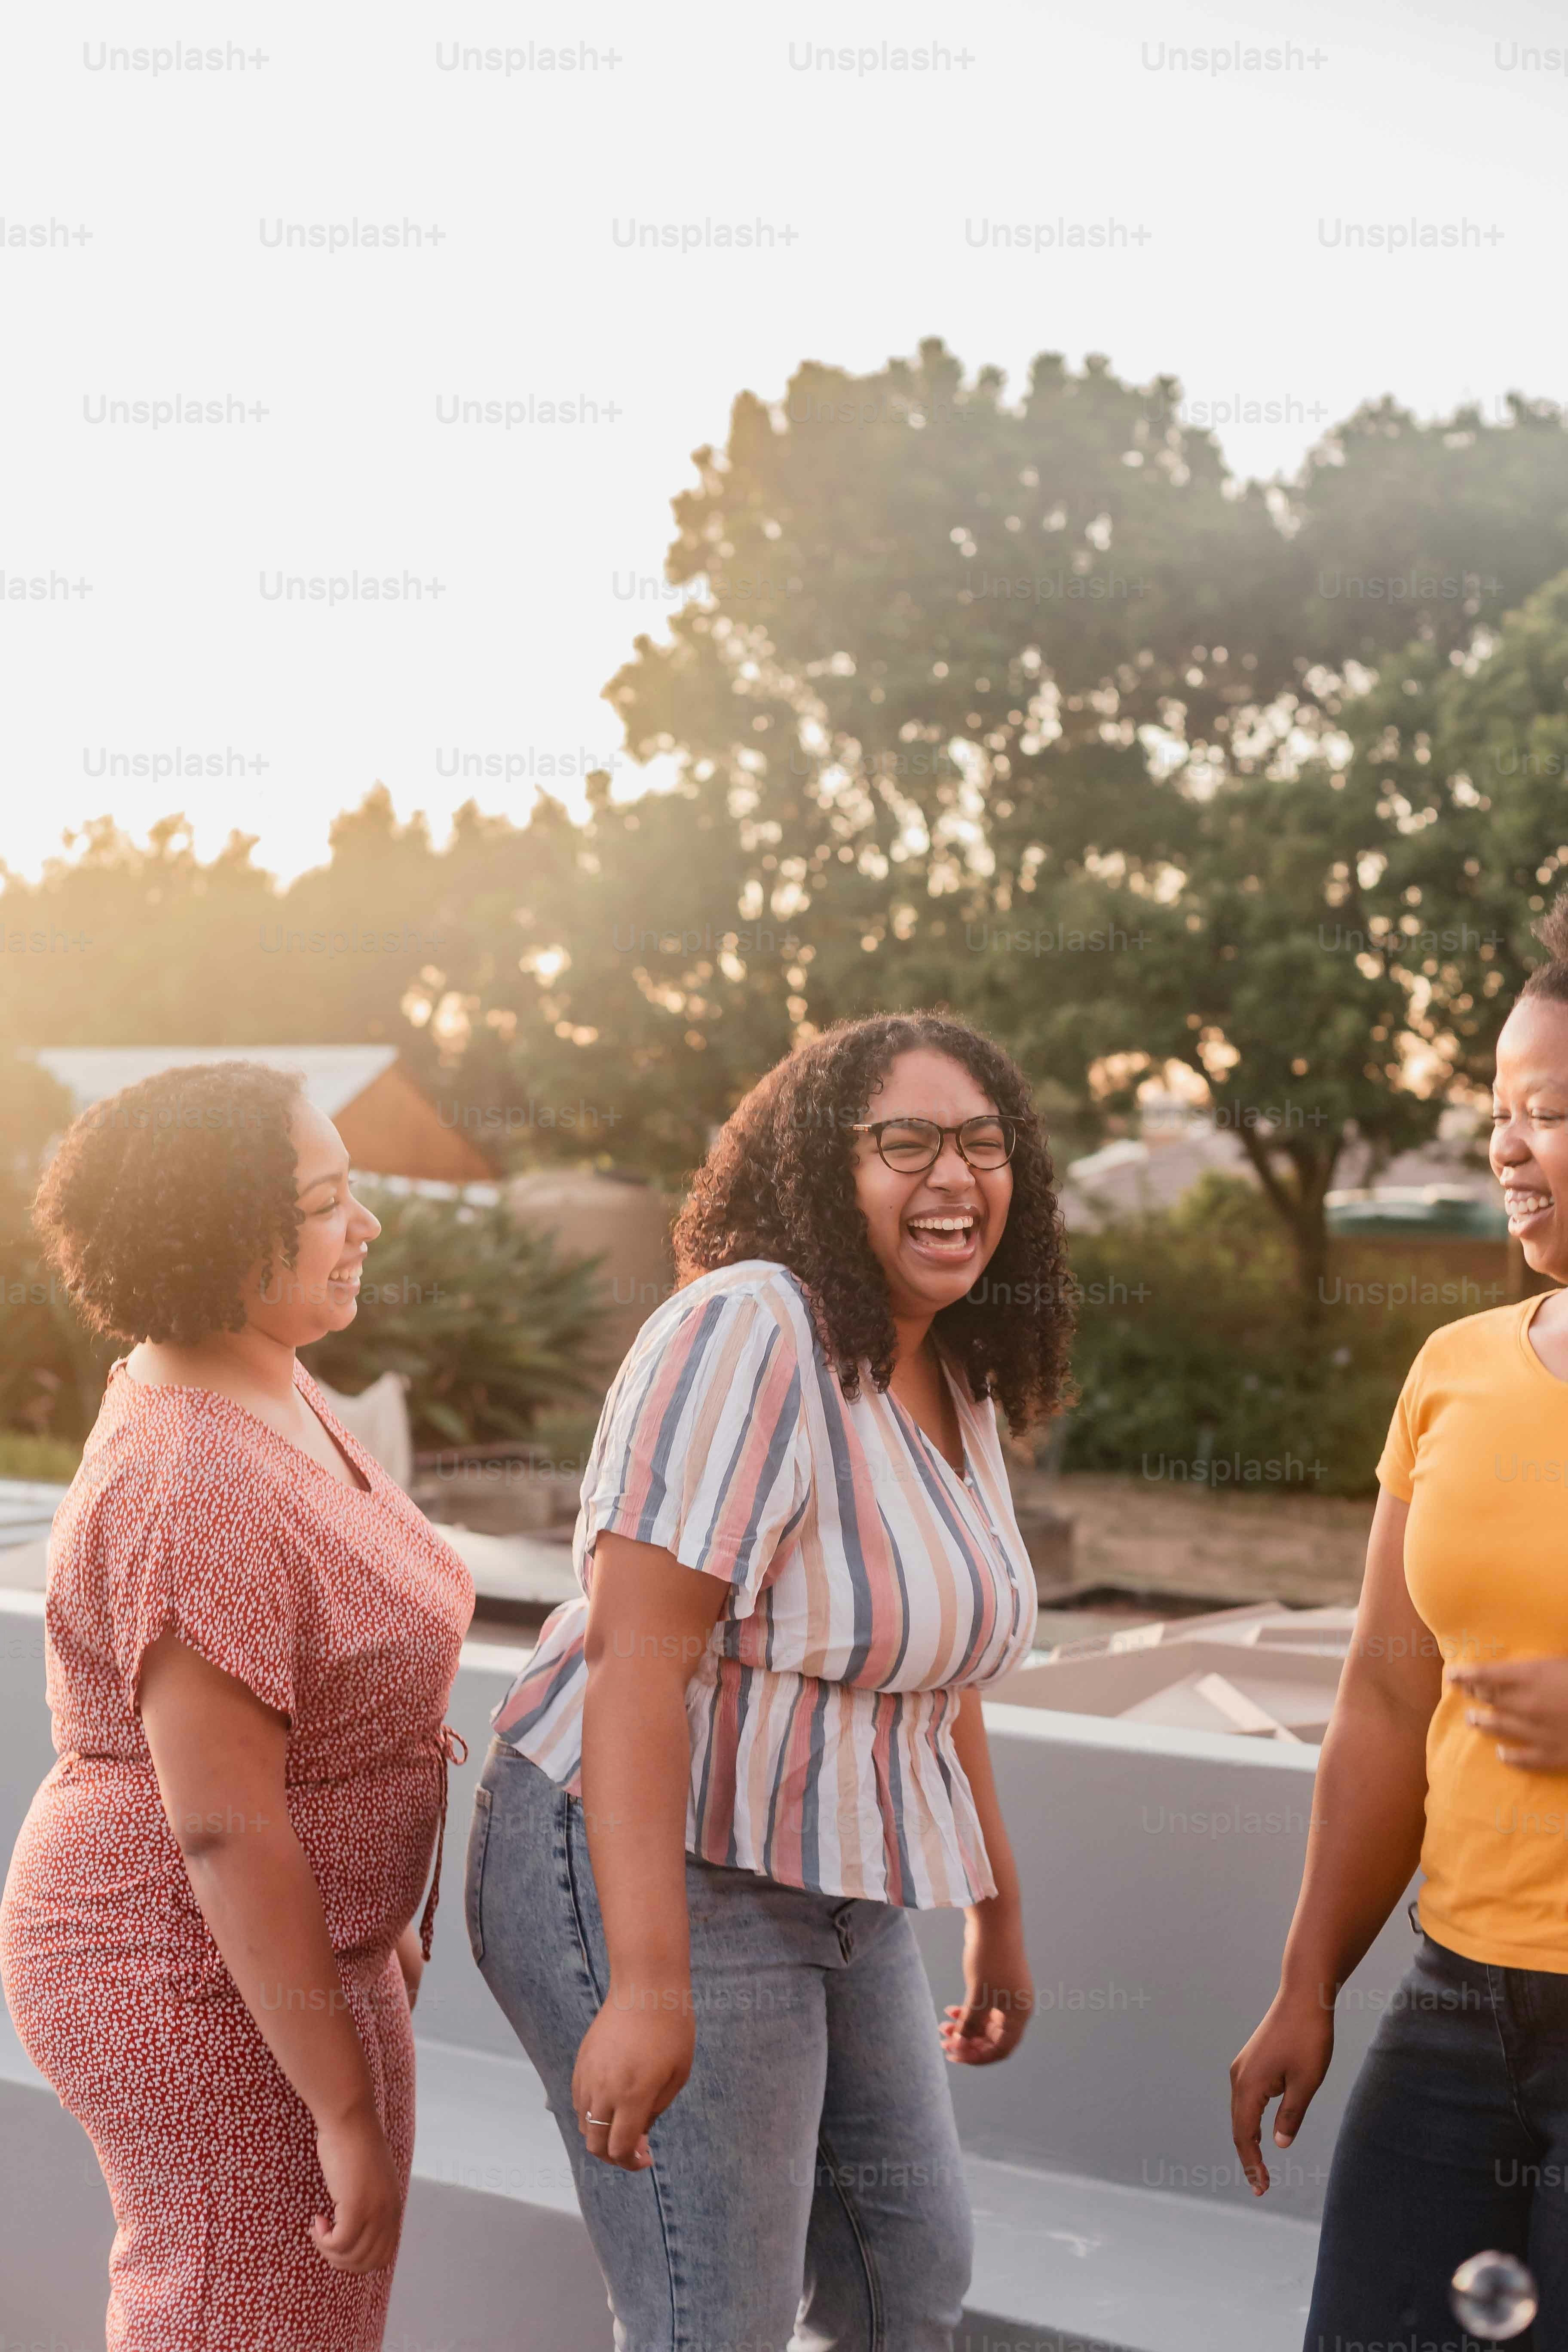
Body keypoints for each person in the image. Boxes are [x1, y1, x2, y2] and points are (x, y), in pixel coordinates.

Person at [468, 1011, 1073, 2352]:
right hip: (638, 1859)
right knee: (714, 2321)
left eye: (983, 1144)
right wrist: (647, 1984)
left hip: (834, 1879)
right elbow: (637, 1662)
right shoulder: (752, 1327)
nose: (953, 1176)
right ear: (818, 1165)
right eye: (903, 1143)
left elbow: (932, 1668)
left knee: (903, 2280)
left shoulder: (951, 1373)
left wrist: (997, 1910)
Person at [0, 1061, 474, 2352]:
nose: (364, 1227)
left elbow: (320, 1691)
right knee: (235, 2314)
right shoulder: (193, 1474)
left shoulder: (259, 1372)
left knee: (306, 2311)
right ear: (219, 1234)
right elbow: (225, 1830)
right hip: (182, 1967)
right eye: (326, 1201)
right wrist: (345, 2107)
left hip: (300, 1955)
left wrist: (377, 1920)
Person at [1231, 886, 1568, 2346]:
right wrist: (1308, 1985)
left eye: (1546, 1111)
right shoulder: (1454, 1368)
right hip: (1455, 2003)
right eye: (1500, 1109)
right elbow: (1382, 1695)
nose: (1505, 1146)